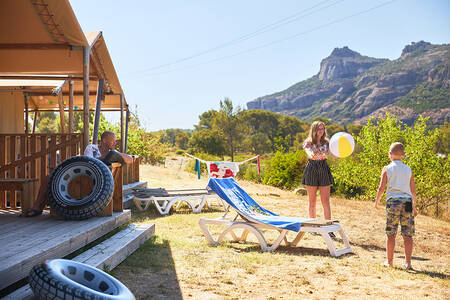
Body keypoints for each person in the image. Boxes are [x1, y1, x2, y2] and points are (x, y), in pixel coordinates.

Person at [24, 131, 132, 217]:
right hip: (81, 176)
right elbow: (89, 163)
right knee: (49, 178)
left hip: (96, 183)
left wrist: (116, 154)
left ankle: (40, 207)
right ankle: (37, 207)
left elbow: (130, 159)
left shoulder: (113, 153)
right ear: (104, 140)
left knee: (51, 180)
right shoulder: (92, 148)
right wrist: (105, 157)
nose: (115, 143)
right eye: (113, 140)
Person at [375, 142, 418, 270]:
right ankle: (408, 263)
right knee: (408, 234)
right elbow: (413, 191)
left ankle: (389, 261)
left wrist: (376, 202)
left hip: (393, 202)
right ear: (403, 154)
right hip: (407, 203)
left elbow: (381, 187)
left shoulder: (387, 168)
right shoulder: (408, 169)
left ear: (390, 154)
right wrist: (414, 206)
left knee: (391, 233)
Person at [302, 121, 335, 237]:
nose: (321, 130)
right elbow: (310, 154)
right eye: (319, 128)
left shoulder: (327, 142)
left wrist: (337, 152)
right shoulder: (308, 143)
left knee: (325, 201)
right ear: (314, 130)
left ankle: (329, 228)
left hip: (323, 168)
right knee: (312, 201)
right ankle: (312, 227)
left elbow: (332, 155)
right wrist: (314, 153)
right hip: (311, 168)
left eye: (323, 128)